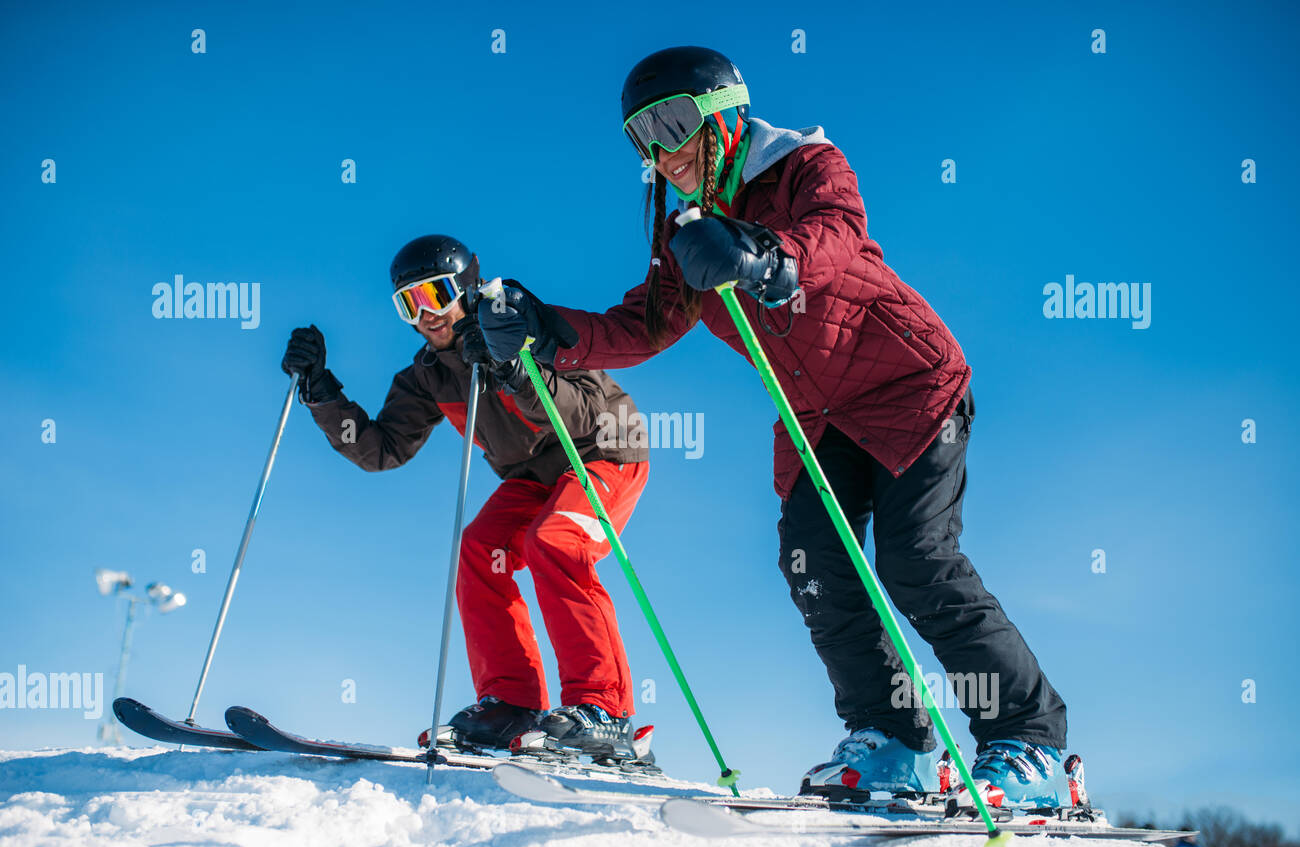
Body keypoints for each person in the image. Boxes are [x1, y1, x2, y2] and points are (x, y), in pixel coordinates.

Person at [476, 48, 1068, 805]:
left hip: (907, 386)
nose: (661, 150)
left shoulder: (805, 163)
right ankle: (894, 739)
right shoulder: (686, 233)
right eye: (639, 138)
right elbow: (645, 323)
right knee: (812, 565)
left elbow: (837, 233)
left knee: (916, 560)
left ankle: (1029, 740)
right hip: (816, 417)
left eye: (672, 122)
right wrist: (545, 326)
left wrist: (763, 256)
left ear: (724, 115)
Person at [280, 235, 651, 761]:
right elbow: (381, 450)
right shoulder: (428, 376)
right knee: (479, 549)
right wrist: (321, 392)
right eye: (410, 304)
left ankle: (604, 710)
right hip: (533, 475)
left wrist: (514, 368)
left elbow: (582, 415)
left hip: (604, 450)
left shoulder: (518, 322)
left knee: (556, 541)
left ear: (468, 286)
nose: (427, 314)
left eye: (436, 294)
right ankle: (512, 704)